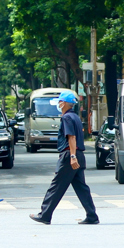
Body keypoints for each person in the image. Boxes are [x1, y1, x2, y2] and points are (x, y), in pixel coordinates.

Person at [30, 90, 99, 225]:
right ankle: (92, 215)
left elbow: (71, 137)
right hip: (78, 155)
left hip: (70, 156)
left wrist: (72, 156)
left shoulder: (66, 118)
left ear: (64, 104)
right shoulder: (75, 117)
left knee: (56, 186)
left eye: (60, 102)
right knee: (81, 187)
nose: (59, 104)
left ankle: (45, 214)